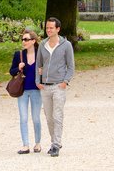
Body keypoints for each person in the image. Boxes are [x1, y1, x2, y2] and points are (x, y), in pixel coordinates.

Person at [36, 17, 74, 158]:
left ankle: (56, 145)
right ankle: (54, 141)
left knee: (57, 116)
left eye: (51, 28)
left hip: (59, 86)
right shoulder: (42, 45)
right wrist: (37, 81)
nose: (49, 30)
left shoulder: (66, 45)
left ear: (58, 29)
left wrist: (65, 82)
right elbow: (38, 64)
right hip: (45, 87)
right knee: (49, 117)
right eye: (47, 28)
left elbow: (71, 67)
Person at [9, 29, 42, 154]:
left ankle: (38, 143)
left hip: (36, 90)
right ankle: (25, 145)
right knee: (23, 118)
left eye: (26, 39)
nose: (24, 42)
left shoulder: (40, 55)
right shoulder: (19, 55)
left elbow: (48, 70)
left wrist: (42, 72)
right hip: (22, 91)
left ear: (33, 41)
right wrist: (18, 67)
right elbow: (11, 72)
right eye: (23, 39)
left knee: (36, 118)